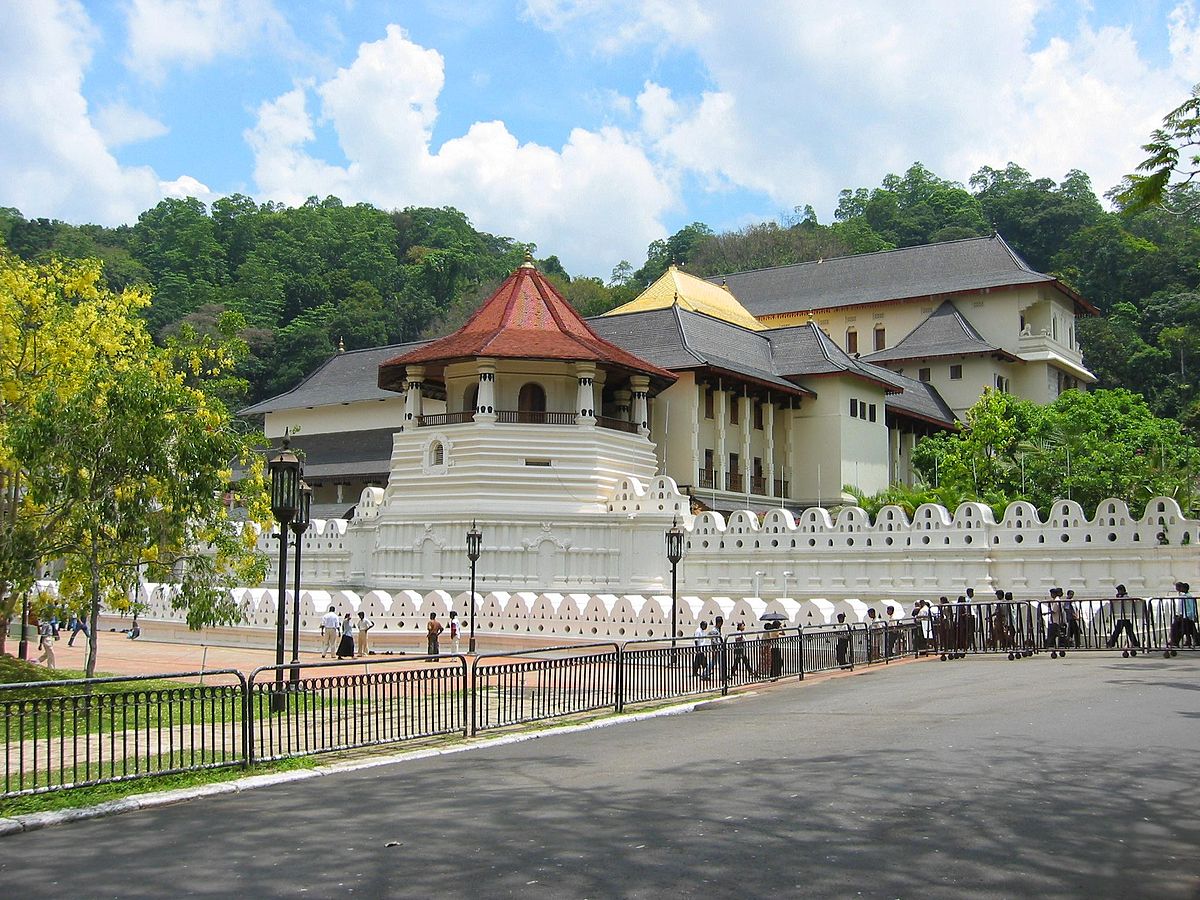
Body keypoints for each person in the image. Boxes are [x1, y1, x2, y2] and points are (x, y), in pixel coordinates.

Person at [1107, 584, 1141, 649]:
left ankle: (1112, 642)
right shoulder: (1121, 597)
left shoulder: (1125, 597)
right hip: (1121, 615)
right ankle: (1135, 643)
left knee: (1120, 629)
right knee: (1126, 629)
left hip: (1124, 615)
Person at [1170, 582, 1198, 648]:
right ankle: (1186, 641)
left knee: (1182, 628)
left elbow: (1191, 607)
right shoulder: (1183, 596)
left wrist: (1190, 616)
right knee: (1187, 629)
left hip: (1187, 617)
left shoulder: (1188, 596)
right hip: (1184, 616)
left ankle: (1175, 641)